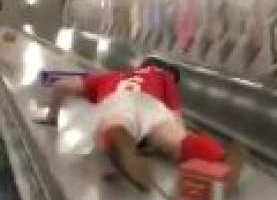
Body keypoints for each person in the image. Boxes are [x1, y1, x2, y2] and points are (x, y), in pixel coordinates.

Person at [34, 57, 234, 191]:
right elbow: (175, 117)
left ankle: (117, 136)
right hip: (151, 105)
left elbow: (60, 86)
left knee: (113, 124)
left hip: (117, 100)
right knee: (178, 140)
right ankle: (217, 155)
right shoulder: (164, 77)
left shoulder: (109, 76)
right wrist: (172, 143)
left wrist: (52, 117)